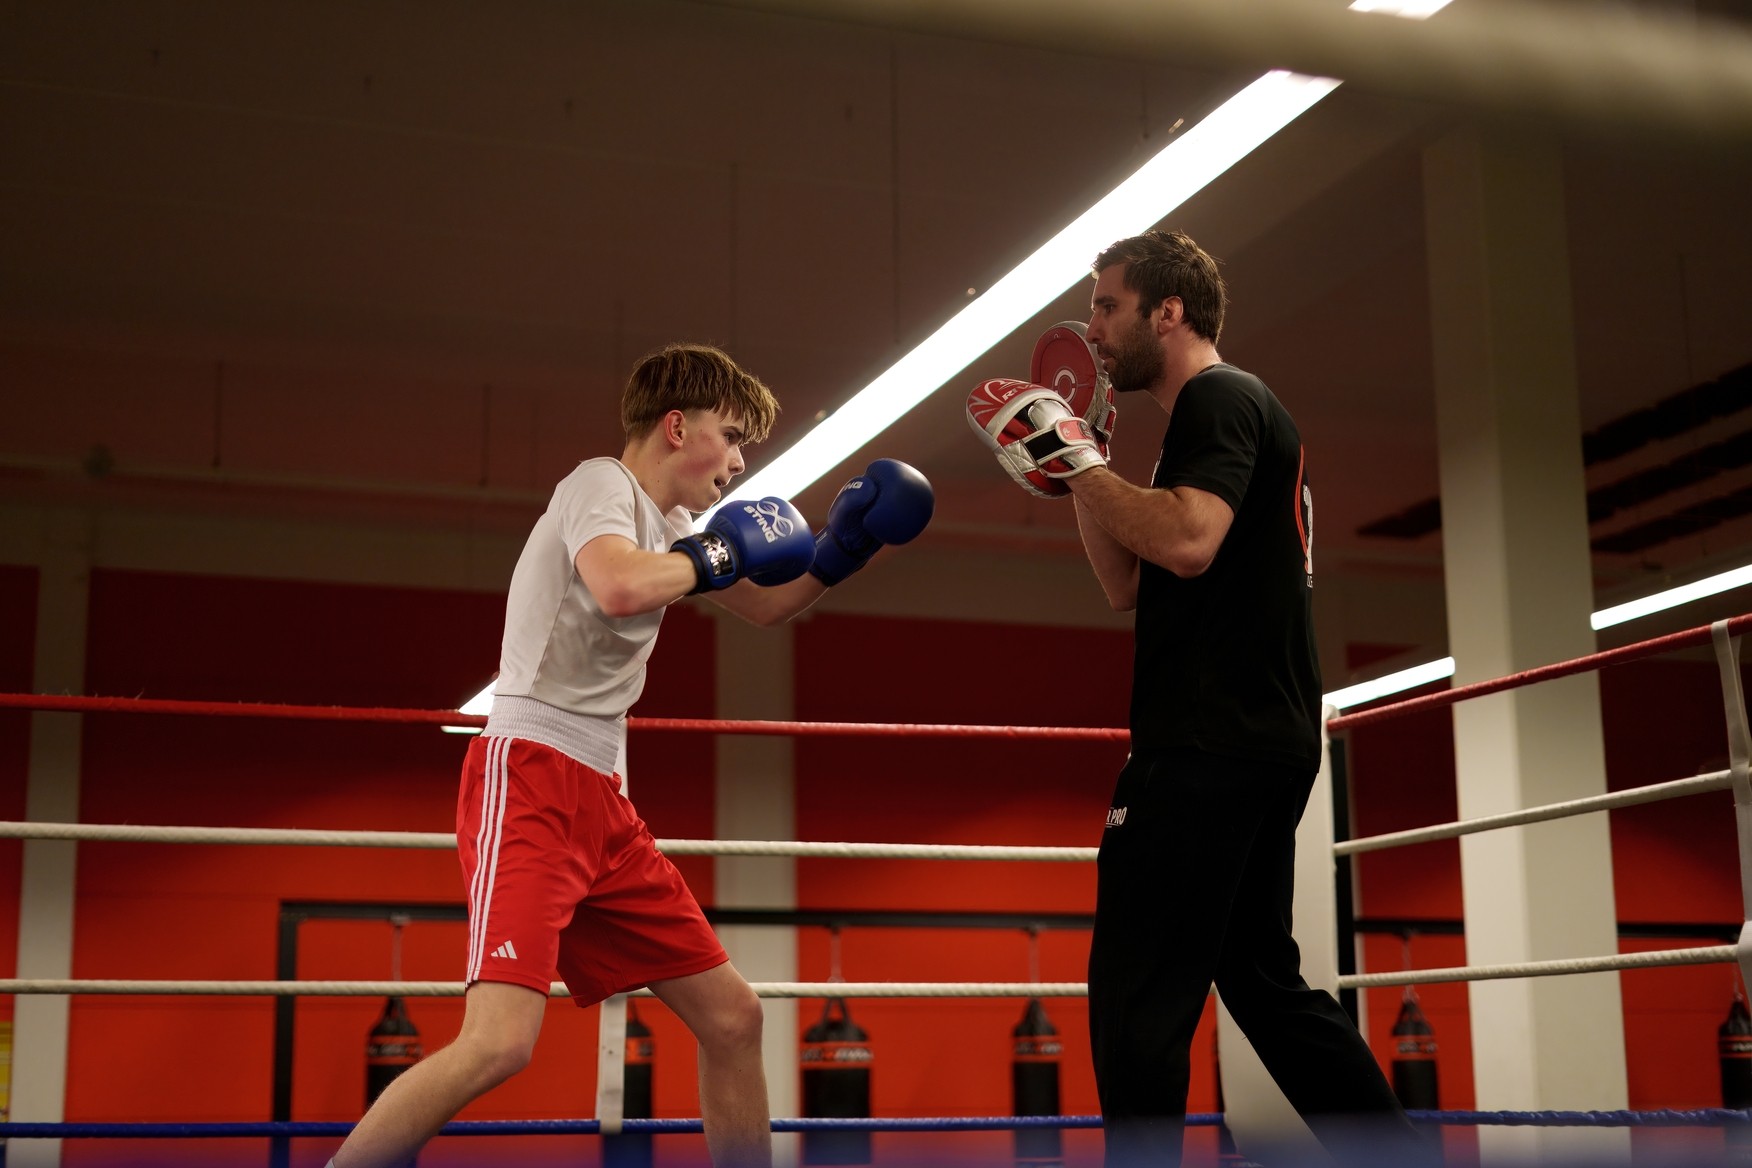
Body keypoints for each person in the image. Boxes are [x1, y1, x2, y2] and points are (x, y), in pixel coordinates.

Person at [330, 343, 934, 1168]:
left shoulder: (679, 528)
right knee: (499, 1044)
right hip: (532, 774)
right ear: (676, 426)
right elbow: (618, 584)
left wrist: (842, 549)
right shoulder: (597, 486)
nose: (741, 459)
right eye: (730, 435)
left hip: (602, 805)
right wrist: (717, 556)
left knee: (733, 1018)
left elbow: (766, 607)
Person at [968, 231, 1426, 1167]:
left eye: (1107, 307)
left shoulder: (1220, 396)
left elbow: (1187, 542)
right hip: (1263, 737)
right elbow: (1130, 585)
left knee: (1137, 986)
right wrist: (1077, 463)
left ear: (1166, 312)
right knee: (1259, 979)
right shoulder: (1221, 415)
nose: (1092, 330)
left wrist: (1087, 466)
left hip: (1206, 740)